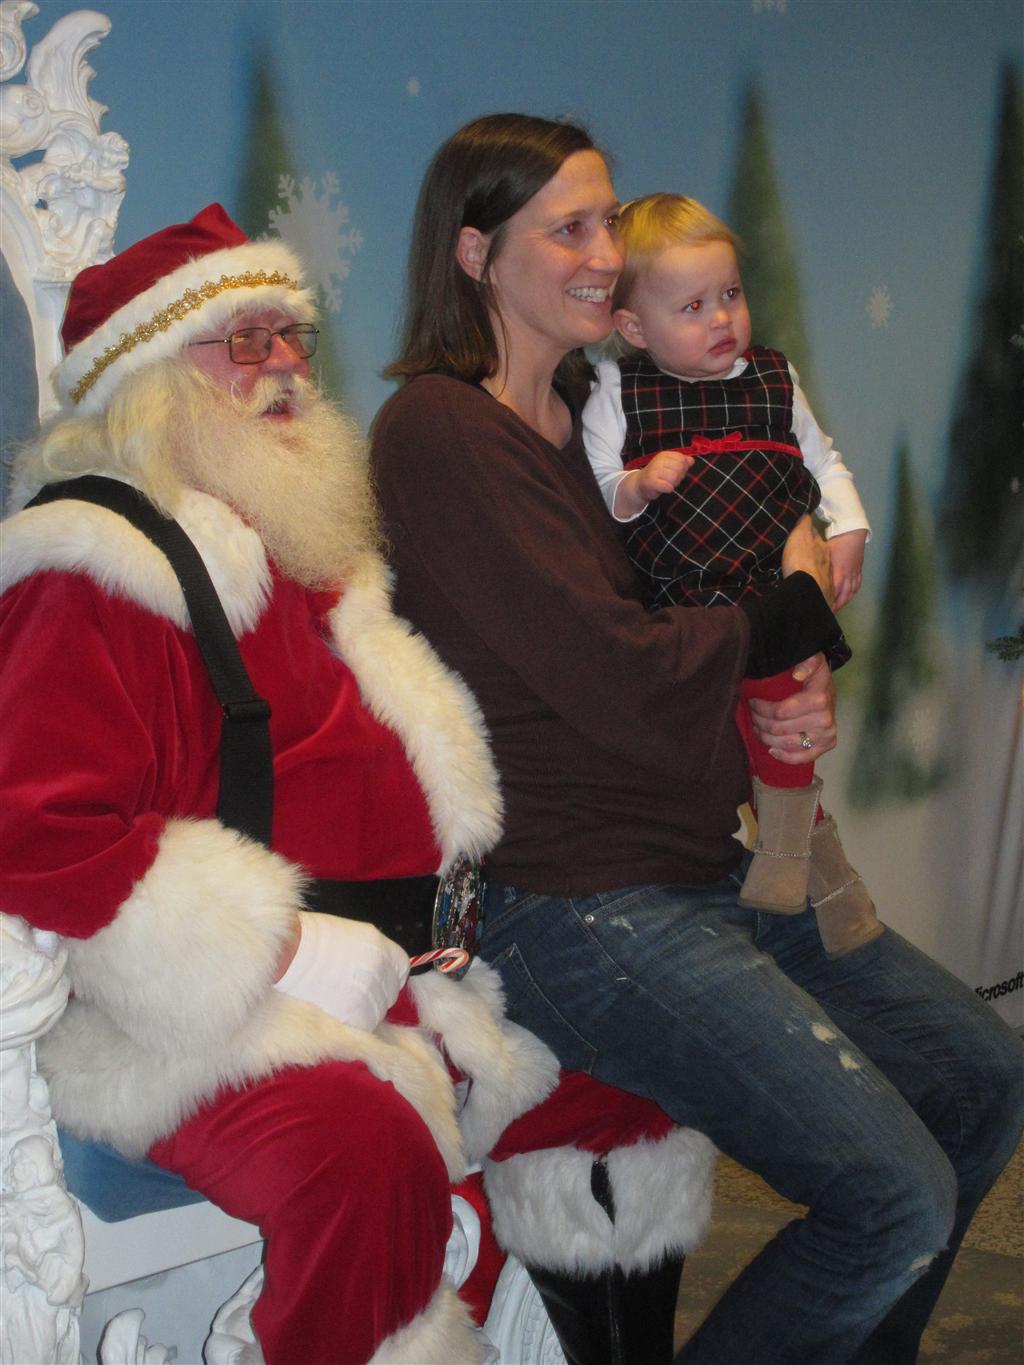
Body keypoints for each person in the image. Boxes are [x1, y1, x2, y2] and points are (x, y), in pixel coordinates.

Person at [0, 204, 714, 1365]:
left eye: (293, 335)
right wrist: (285, 952)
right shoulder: (95, 568)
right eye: (247, 341)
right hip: (189, 1026)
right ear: (148, 384)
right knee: (363, 1149)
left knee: (630, 1104)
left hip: (408, 985)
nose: (286, 364)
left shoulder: (313, 556)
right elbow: (38, 833)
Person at [369, 113, 1024, 1364]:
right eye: (568, 228)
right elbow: (620, 673)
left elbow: (692, 625)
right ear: (474, 251)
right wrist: (785, 619)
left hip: (694, 858)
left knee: (981, 1081)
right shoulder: (440, 432)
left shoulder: (596, 417)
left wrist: (781, 692)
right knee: (893, 1200)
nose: (604, 253)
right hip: (574, 900)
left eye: (607, 222)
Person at [582, 192, 876, 950]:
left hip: (774, 585)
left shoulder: (773, 377)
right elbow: (598, 483)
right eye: (693, 306)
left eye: (731, 294)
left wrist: (849, 528)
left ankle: (785, 854)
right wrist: (636, 486)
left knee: (787, 706)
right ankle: (828, 879)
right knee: (745, 725)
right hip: (689, 598)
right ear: (634, 328)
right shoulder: (619, 390)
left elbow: (823, 460)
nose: (721, 319)